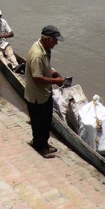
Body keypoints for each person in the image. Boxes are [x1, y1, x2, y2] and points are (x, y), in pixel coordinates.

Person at [24, 25, 65, 158]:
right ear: (48, 39)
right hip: (37, 95)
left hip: (44, 93)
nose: (56, 43)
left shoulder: (45, 48)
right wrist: (56, 81)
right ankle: (39, 146)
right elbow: (37, 78)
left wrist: (53, 73)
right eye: (55, 40)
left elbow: (46, 65)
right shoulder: (37, 54)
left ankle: (43, 143)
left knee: (46, 121)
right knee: (39, 123)